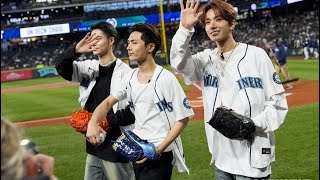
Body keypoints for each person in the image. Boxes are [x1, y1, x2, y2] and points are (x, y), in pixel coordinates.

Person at [170, 0, 288, 179]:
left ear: (232, 23)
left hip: (252, 158)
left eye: (218, 19)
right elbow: (179, 63)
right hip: (222, 160)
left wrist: (253, 125)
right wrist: (185, 29)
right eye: (208, 22)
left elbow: (278, 103)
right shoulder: (205, 59)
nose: (212, 26)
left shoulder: (257, 56)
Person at [86, 23, 194, 180]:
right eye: (129, 42)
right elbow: (108, 102)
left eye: (134, 42)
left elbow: (183, 118)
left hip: (160, 153)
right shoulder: (130, 77)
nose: (129, 47)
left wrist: (158, 149)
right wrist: (92, 123)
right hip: (137, 150)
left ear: (150, 47)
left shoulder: (165, 78)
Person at [55, 22, 135, 180]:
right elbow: (61, 67)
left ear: (111, 40)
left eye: (98, 38)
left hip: (116, 146)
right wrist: (76, 51)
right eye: (92, 39)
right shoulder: (88, 67)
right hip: (93, 146)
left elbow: (132, 112)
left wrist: (102, 122)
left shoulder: (126, 73)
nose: (94, 42)